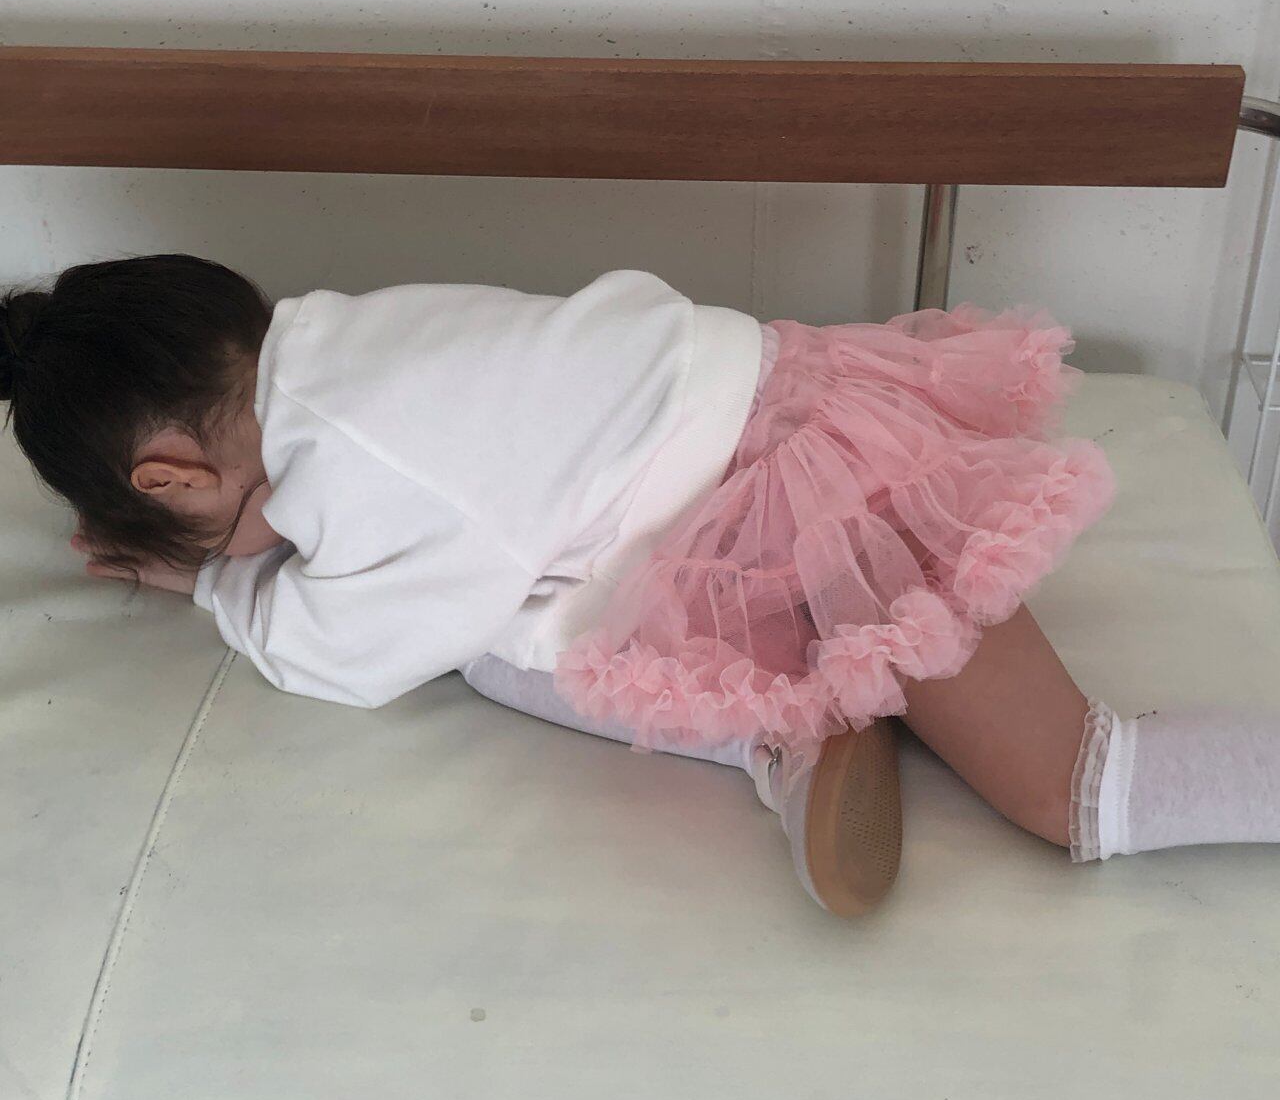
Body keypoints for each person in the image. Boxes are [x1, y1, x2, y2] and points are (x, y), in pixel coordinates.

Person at [4, 256, 1277, 919]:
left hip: (819, 491)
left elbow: (348, 653)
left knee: (1071, 787)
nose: (254, 542)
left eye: (205, 527)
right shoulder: (343, 335)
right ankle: (788, 731)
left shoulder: (354, 459)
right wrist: (237, 538)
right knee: (518, 625)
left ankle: (777, 732)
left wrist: (208, 590)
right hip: (763, 444)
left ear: (171, 478)